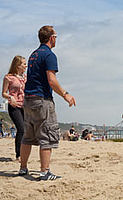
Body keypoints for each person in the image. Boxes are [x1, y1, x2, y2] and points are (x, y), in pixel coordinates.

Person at [18, 25, 76, 181]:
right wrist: (65, 94)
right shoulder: (49, 55)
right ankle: (45, 172)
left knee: (27, 137)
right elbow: (51, 80)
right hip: (42, 100)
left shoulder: (33, 55)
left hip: (28, 100)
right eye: (56, 36)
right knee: (47, 136)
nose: (56, 39)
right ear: (51, 38)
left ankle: (23, 168)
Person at [2, 55, 27, 160]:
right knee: (21, 129)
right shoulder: (8, 77)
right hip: (14, 106)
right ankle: (19, 154)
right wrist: (10, 97)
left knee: (25, 130)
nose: (26, 66)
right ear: (18, 65)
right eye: (24, 64)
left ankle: (23, 152)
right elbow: (3, 93)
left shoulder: (25, 77)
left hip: (25, 106)